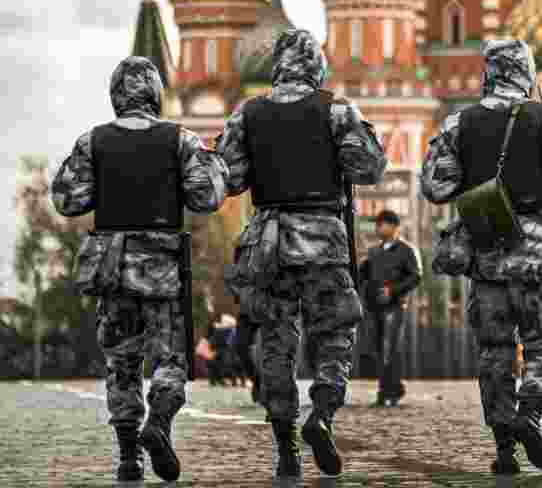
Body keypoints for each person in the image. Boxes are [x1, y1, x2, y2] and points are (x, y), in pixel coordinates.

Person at [217, 29, 387, 479]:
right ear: (317, 66)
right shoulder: (336, 109)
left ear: (277, 66)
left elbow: (228, 181)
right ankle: (323, 414)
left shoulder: (247, 114)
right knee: (335, 334)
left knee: (276, 341)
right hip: (322, 238)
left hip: (268, 240)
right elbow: (370, 167)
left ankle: (286, 446)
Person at [420, 39, 542, 475]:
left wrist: (474, 183)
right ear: (528, 75)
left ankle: (503, 447)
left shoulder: (460, 122)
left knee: (494, 350)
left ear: (488, 73)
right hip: (536, 251)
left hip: (484, 250)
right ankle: (530, 416)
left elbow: (434, 186)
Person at [51, 56, 228, 482]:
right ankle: (159, 424)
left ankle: (129, 456)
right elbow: (207, 198)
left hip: (111, 268)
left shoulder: (92, 141)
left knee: (121, 364)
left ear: (115, 96)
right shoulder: (180, 140)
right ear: (155, 93)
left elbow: (67, 199)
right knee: (171, 358)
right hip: (163, 266)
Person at [359, 209, 423, 407]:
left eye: (382, 223)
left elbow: (416, 276)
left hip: (395, 306)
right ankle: (388, 388)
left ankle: (390, 391)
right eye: (377, 223)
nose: (378, 227)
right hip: (374, 308)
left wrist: (393, 291)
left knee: (390, 348)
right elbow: (364, 276)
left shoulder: (406, 250)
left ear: (394, 226)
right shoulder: (374, 252)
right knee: (378, 348)